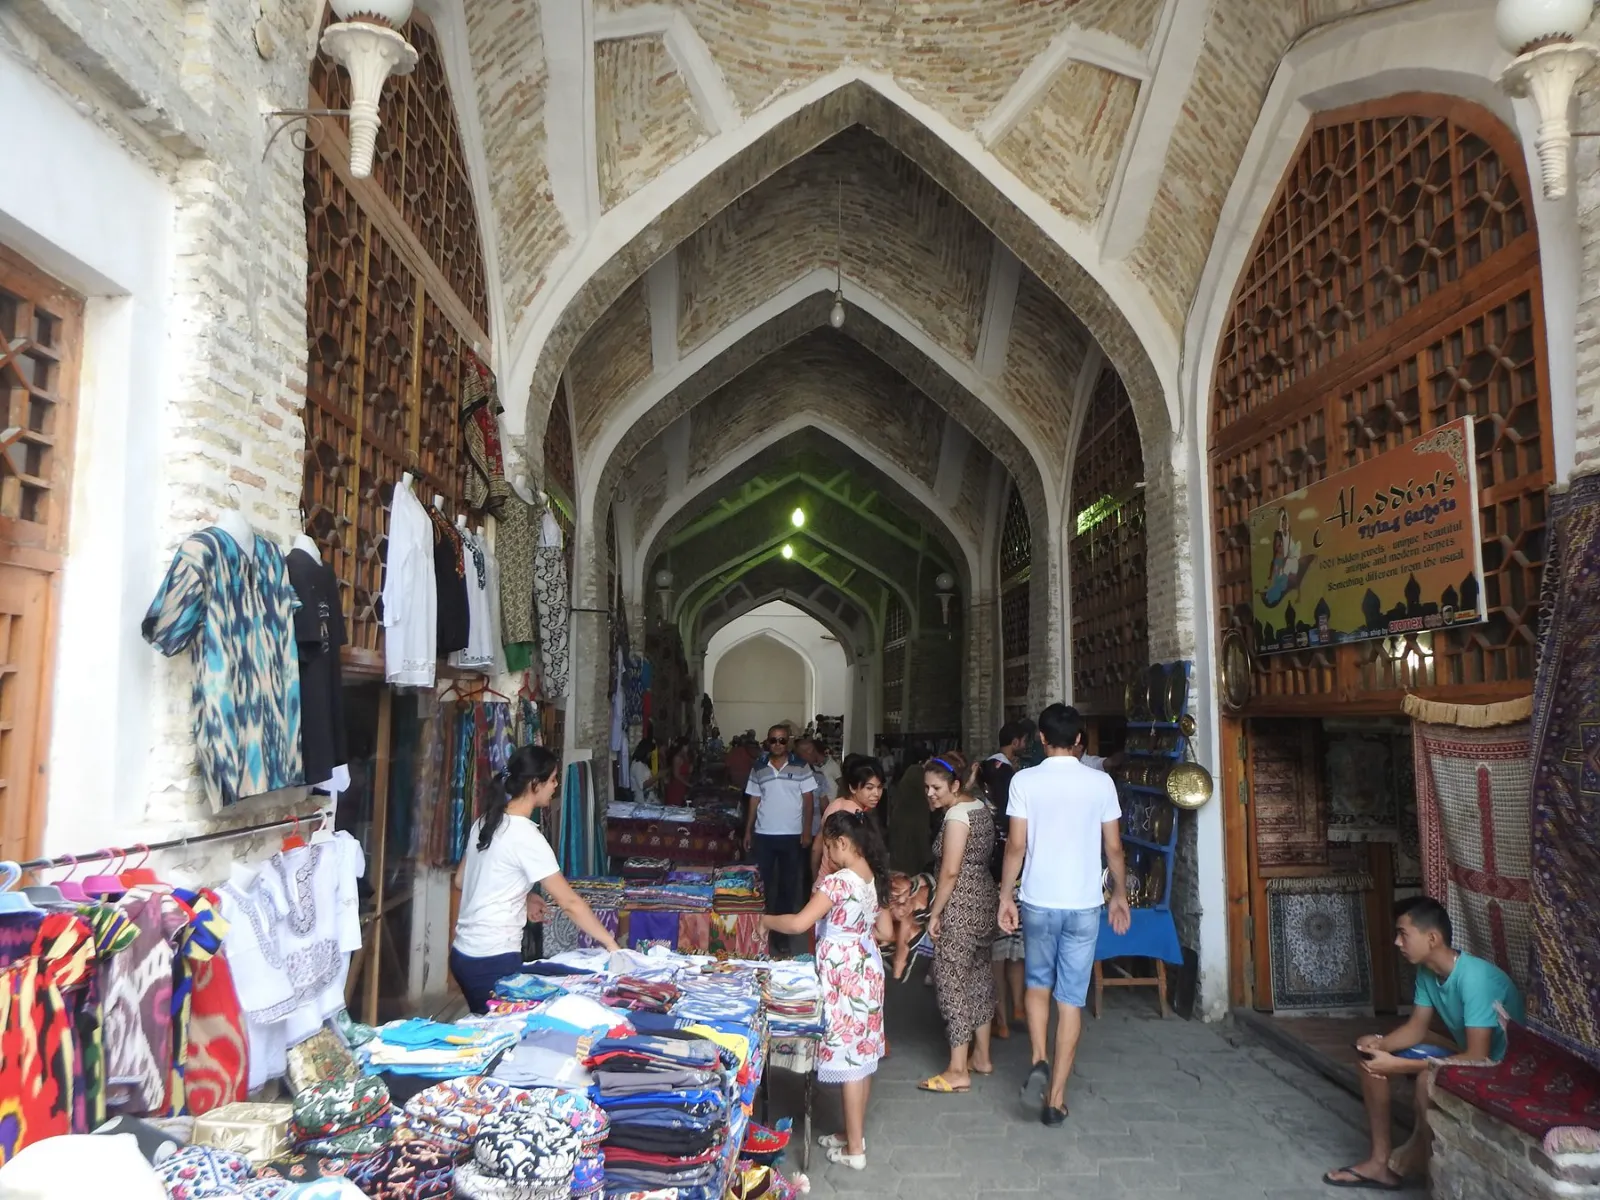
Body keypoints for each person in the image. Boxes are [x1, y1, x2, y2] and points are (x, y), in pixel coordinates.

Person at [1322, 897, 1525, 1191]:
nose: (1397, 942)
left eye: (1403, 934)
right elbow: (1416, 1029)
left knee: (1423, 1080)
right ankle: (1379, 1162)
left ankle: (1423, 1165)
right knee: (1368, 1050)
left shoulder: (1475, 979)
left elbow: (1479, 1057)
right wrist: (1380, 1047)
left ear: (1432, 938)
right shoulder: (1427, 971)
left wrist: (1398, 1064)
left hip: (1499, 1066)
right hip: (1467, 1054)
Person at [998, 703, 1129, 1127]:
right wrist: (1120, 894)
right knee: (1071, 999)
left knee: (1038, 983)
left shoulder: (1024, 780)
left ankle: (1039, 1057)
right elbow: (1113, 847)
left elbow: (1016, 846)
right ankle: (1055, 1099)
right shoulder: (1101, 782)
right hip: (1084, 904)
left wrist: (1005, 895)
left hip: (1039, 900)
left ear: (1040, 738)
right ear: (1078, 741)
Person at [762, 810, 890, 1169]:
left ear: (843, 843)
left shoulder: (838, 883)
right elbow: (885, 931)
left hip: (844, 976)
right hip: (867, 969)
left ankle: (855, 1151)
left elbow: (799, 922)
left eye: (830, 847)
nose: (827, 855)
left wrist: (764, 919)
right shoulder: (870, 875)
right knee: (863, 1056)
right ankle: (852, 1133)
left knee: (849, 1060)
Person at [451, 744, 620, 1012]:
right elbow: (569, 902)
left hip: (463, 953)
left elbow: (462, 880)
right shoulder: (525, 835)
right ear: (535, 784)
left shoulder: (485, 821)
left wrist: (524, 894)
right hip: (492, 957)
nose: (556, 786)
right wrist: (611, 944)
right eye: (552, 780)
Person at [919, 751, 998, 1094]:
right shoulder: (978, 806)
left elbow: (950, 871)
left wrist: (935, 913)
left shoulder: (956, 816)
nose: (930, 794)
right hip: (984, 901)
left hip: (960, 906)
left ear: (954, 785)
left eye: (936, 788)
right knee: (979, 979)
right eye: (926, 787)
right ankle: (981, 1057)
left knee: (951, 981)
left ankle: (957, 1069)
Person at [743, 724, 817, 951]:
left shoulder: (802, 767)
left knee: (787, 887)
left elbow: (808, 801)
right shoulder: (758, 768)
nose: (777, 744)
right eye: (773, 740)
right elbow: (754, 800)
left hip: (792, 836)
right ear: (767, 742)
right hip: (764, 835)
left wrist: (806, 831)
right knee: (762, 886)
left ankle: (781, 937)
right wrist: (748, 830)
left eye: (782, 740)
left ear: (788, 742)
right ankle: (759, 932)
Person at [975, 754, 1025, 1039]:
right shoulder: (1020, 811)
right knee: (1016, 954)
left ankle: (1001, 1021)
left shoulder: (982, 811)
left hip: (993, 890)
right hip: (1019, 887)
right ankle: (1019, 1007)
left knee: (995, 958)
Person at [813, 758, 885, 877]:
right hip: (842, 884)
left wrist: (817, 880)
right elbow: (844, 863)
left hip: (824, 881)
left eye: (880, 787)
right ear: (852, 787)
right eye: (869, 788)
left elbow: (816, 848)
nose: (876, 794)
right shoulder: (854, 816)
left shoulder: (835, 804)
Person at [889, 743, 933, 874]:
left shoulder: (909, 772)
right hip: (913, 822)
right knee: (912, 858)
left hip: (906, 821)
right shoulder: (917, 772)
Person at [797, 735, 842, 842]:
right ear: (808, 752)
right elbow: (823, 804)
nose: (815, 754)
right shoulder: (817, 774)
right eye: (813, 751)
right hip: (806, 828)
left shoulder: (819, 772)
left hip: (800, 828)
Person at [629, 735, 659, 803]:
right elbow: (642, 785)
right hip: (642, 800)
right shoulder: (638, 765)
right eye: (650, 752)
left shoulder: (643, 764)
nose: (650, 755)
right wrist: (657, 776)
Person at [664, 738, 693, 806]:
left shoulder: (684, 757)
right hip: (676, 785)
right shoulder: (677, 758)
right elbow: (676, 775)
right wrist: (687, 784)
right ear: (682, 746)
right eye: (687, 746)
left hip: (682, 785)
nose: (688, 748)